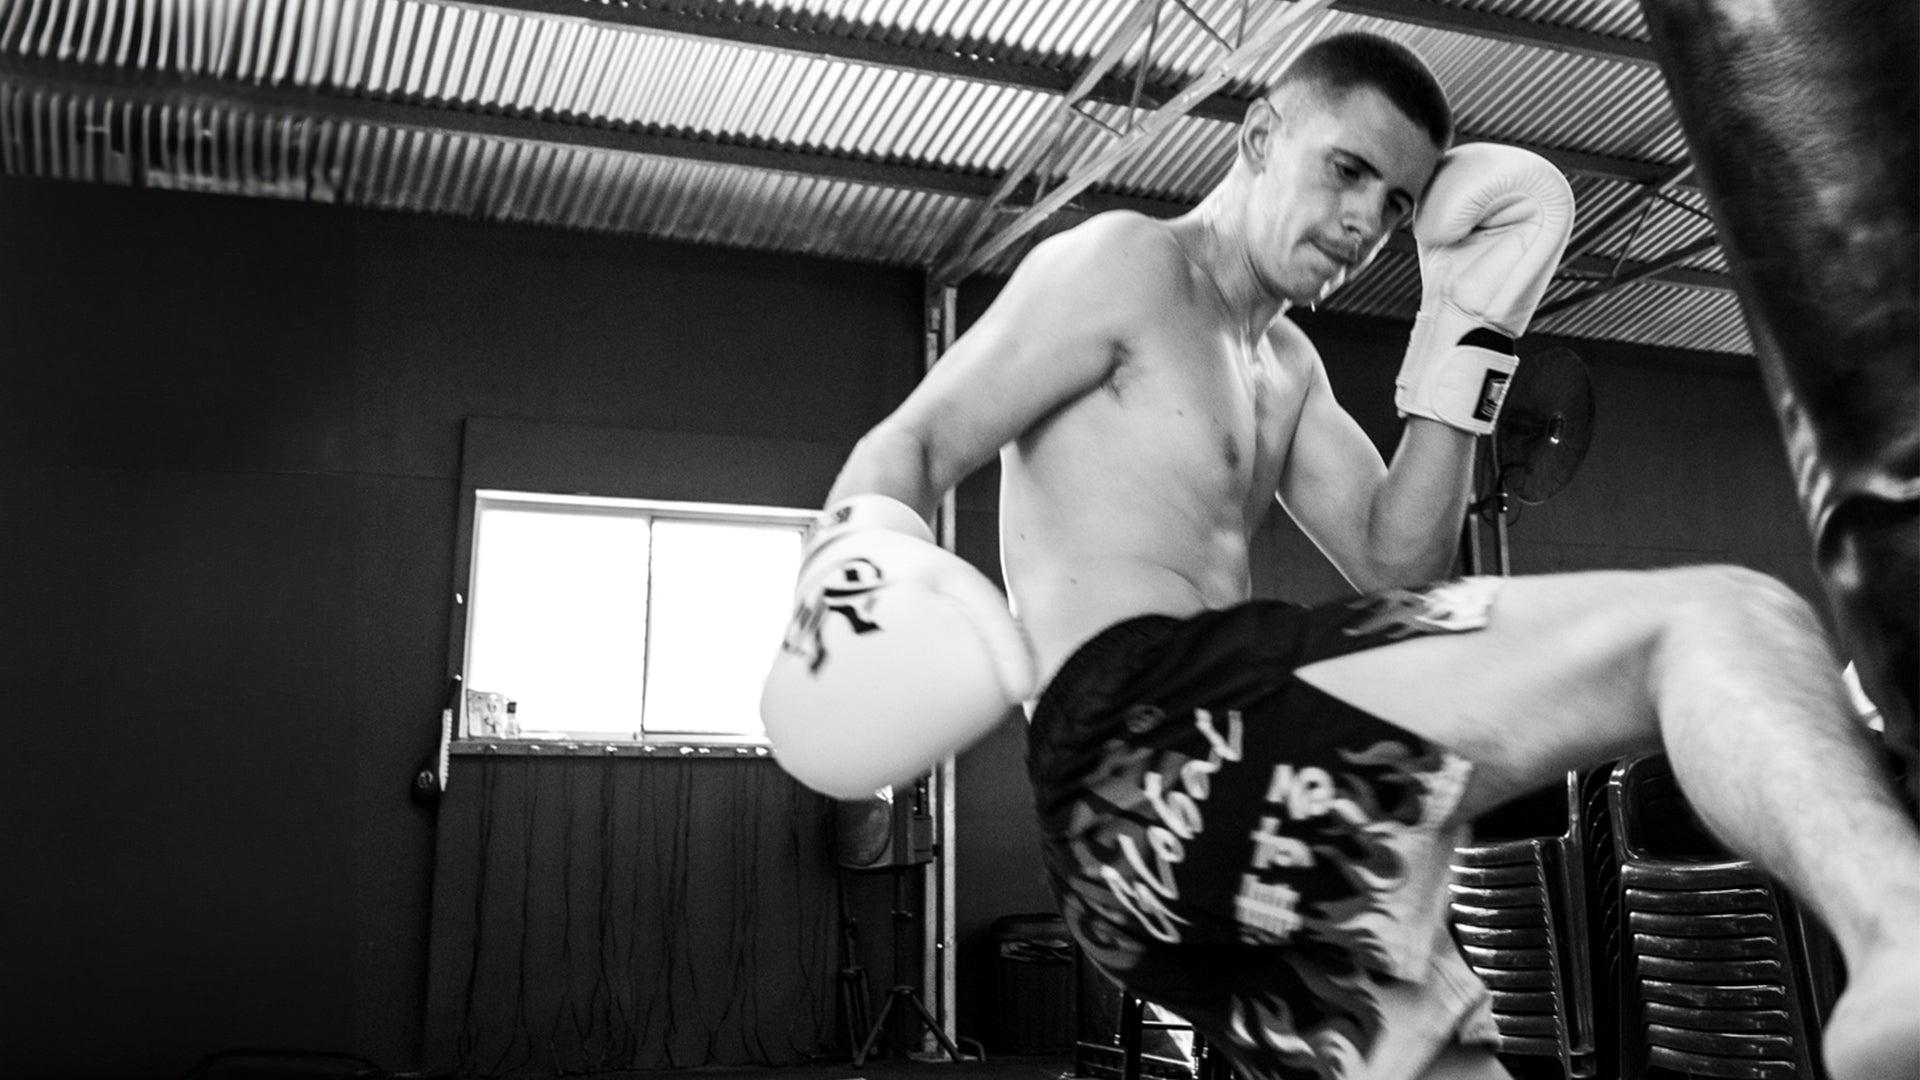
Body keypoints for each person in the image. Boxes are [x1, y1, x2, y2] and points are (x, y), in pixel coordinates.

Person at [760, 31, 1920, 1080]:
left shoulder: (1287, 368)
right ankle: (1906, 936)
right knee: (1725, 623)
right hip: (1150, 727)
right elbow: (914, 440)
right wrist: (847, 583)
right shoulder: (1124, 265)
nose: (1368, 222)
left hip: (1169, 872)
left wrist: (1467, 335)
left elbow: (1397, 565)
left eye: (1399, 202)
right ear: (1262, 136)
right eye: (1347, 171)